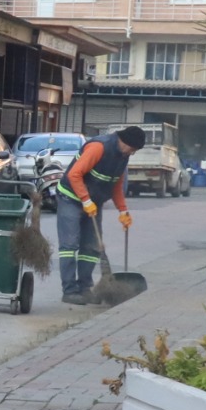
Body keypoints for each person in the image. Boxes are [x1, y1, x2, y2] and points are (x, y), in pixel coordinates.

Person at [57, 125, 145, 304]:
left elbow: (116, 184)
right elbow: (74, 174)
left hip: (93, 202)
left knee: (91, 247)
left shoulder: (123, 156)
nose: (132, 153)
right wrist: (85, 200)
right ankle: (69, 291)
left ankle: (85, 288)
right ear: (124, 141)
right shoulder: (98, 148)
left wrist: (123, 210)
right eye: (132, 149)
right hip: (70, 198)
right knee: (70, 245)